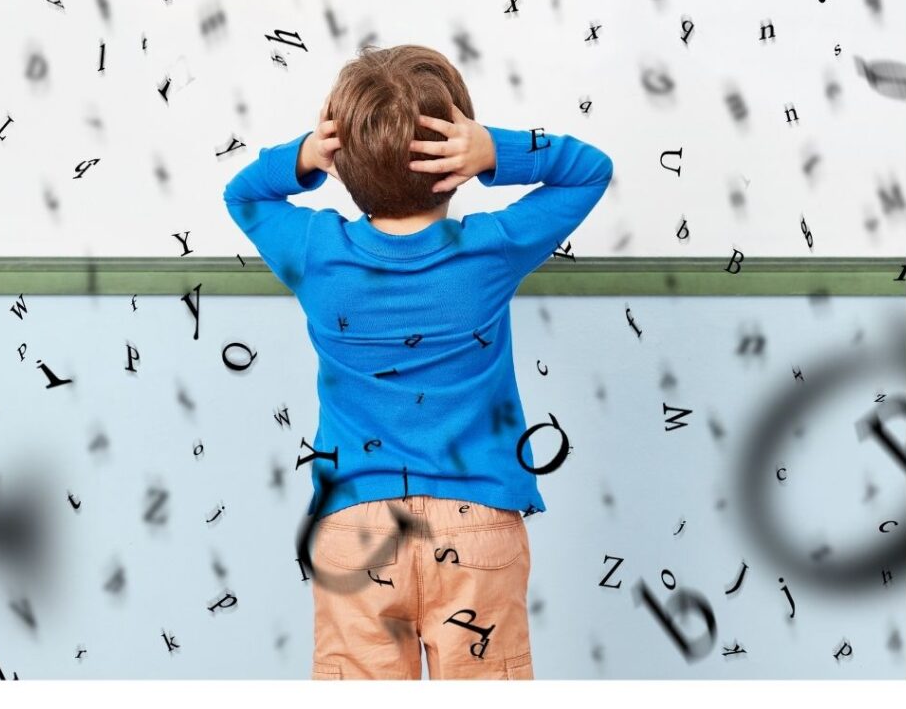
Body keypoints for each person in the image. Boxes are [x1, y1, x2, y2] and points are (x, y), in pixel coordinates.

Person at [222, 44, 613, 679]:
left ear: (343, 159)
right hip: (478, 523)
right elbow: (591, 169)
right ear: (454, 161)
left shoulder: (317, 252)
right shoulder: (491, 250)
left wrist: (305, 156)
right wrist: (495, 152)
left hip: (357, 528)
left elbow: (244, 196)